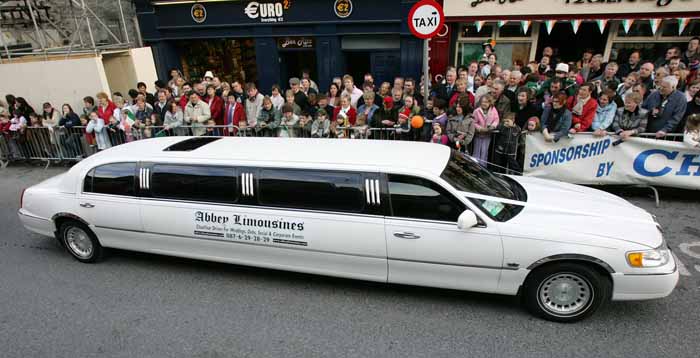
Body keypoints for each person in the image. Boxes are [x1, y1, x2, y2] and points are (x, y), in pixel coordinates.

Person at [472, 94, 499, 166]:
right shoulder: (477, 111)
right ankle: (474, 165)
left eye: (486, 102)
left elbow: (496, 119)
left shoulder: (493, 110)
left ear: (490, 103)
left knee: (484, 151)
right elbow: (473, 122)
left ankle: (483, 166)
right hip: (478, 134)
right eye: (483, 102)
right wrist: (480, 128)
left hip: (487, 135)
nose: (484, 104)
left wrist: (493, 126)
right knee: (477, 151)